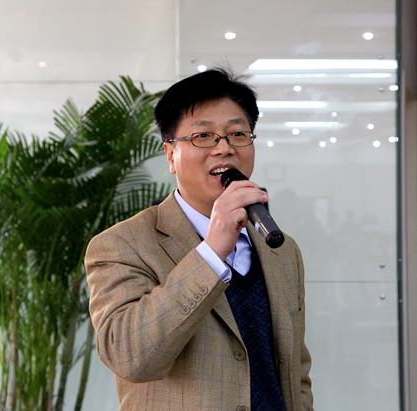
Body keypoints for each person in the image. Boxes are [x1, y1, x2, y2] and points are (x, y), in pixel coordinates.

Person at [85, 67, 314, 411]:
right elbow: (131, 357)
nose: (224, 148)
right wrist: (212, 251)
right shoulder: (122, 244)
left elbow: (296, 371)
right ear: (170, 155)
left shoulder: (282, 249)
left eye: (238, 134)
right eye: (203, 136)